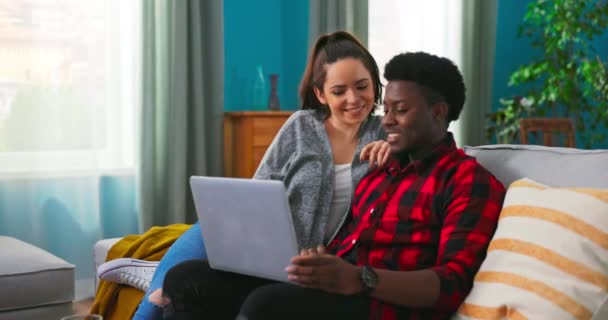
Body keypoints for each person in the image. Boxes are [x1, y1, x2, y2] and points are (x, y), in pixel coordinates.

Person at [159, 51, 507, 320]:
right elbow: (347, 250)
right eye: (386, 109)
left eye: (400, 110)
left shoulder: (468, 181)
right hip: (339, 290)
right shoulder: (378, 173)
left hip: (382, 306)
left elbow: (450, 283)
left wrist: (360, 279)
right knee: (187, 278)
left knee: (265, 305)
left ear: (438, 111)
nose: (386, 120)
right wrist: (320, 260)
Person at [128, 30, 391, 319]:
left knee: (190, 292)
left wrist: (394, 146)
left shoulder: (387, 137)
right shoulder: (301, 126)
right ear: (320, 94)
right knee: (178, 279)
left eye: (362, 86)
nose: (353, 99)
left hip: (320, 274)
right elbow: (257, 193)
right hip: (267, 256)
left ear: (375, 85)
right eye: (339, 91)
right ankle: (153, 283)